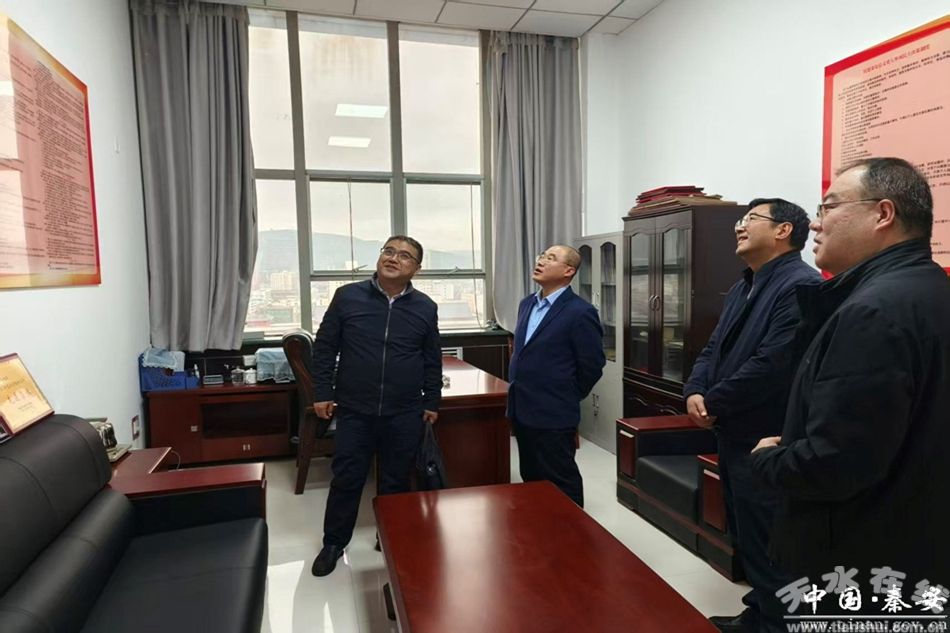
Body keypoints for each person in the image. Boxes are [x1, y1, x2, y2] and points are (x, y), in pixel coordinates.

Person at [751, 158, 950, 601]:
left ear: (883, 214)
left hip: (860, 553)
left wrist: (769, 460)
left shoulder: (872, 312)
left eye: (829, 207)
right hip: (917, 541)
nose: (816, 224)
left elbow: (838, 462)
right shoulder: (928, 288)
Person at [684, 199, 821, 633]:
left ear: (783, 230)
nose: (739, 227)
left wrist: (714, 401)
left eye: (750, 219)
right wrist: (695, 391)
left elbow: (772, 365)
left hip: (766, 438)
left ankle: (778, 625)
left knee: (771, 542)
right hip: (733, 431)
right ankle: (759, 615)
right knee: (748, 536)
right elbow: (713, 348)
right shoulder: (746, 283)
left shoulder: (801, 286)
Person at [310, 235, 442, 577]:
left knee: (396, 479)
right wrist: (322, 391)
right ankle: (334, 542)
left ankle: (389, 535)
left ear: (416, 268)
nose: (394, 258)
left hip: (404, 410)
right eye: (389, 251)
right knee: (347, 477)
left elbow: (431, 358)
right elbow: (324, 348)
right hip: (355, 409)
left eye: (404, 255)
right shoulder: (348, 297)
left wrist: (431, 400)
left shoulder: (425, 307)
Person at [507, 244, 606, 508]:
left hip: (554, 410)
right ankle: (539, 525)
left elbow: (592, 364)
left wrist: (567, 394)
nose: (541, 261)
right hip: (522, 406)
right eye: (542, 256)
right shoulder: (527, 304)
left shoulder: (580, 311)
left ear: (568, 271)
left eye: (551, 258)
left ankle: (572, 530)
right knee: (531, 475)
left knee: (560, 478)